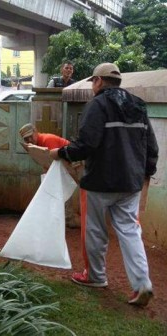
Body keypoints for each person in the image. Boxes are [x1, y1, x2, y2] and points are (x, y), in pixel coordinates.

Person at [49, 63, 158, 307]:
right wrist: (145, 172)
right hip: (131, 182)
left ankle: (96, 277)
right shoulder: (138, 105)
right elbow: (151, 147)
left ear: (98, 81)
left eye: (92, 83)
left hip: (99, 182)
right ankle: (142, 284)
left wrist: (62, 152)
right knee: (130, 232)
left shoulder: (97, 105)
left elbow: (86, 144)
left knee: (95, 231)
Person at [19, 123, 80, 228]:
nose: (29, 139)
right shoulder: (35, 144)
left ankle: (71, 219)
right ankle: (65, 218)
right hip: (65, 164)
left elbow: (55, 161)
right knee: (59, 189)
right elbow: (48, 162)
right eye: (26, 138)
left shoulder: (47, 139)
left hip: (75, 162)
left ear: (36, 131)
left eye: (30, 136)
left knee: (64, 189)